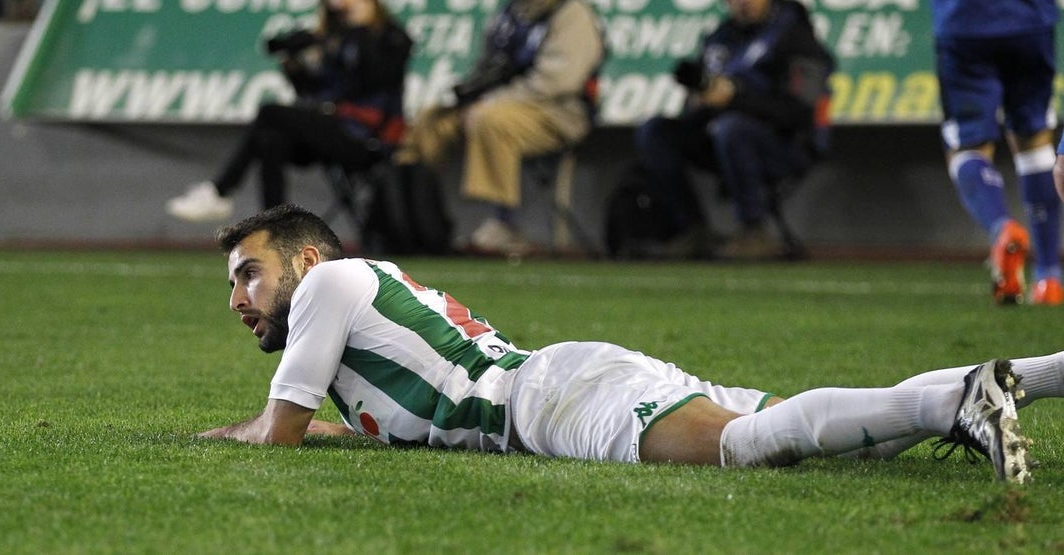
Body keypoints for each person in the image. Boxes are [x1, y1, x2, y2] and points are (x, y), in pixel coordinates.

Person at [198, 202, 1056, 485]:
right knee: (794, 427)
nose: (239, 296)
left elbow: (278, 431)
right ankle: (1028, 376)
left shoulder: (328, 285)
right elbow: (336, 424)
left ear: (306, 259)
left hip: (548, 399)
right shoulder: (351, 310)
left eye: (249, 273)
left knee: (742, 447)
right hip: (561, 381)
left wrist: (212, 436)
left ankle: (960, 400)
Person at [893, 0, 1064, 305]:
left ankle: (1001, 226)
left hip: (962, 19)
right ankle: (1050, 276)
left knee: (968, 143)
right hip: (1028, 14)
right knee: (1034, 137)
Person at [394, 0, 605, 255]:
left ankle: (502, 224)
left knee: (490, 118)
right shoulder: (510, 10)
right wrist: (469, 93)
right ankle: (418, 223)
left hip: (559, 112)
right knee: (429, 121)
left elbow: (558, 81)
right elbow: (488, 65)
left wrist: (493, 99)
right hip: (502, 103)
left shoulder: (572, 10)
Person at [167, 0, 413, 222]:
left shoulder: (389, 35)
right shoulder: (331, 37)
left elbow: (375, 79)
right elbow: (318, 91)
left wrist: (361, 30)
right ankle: (278, 225)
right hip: (332, 128)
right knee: (270, 137)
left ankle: (220, 191)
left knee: (271, 112)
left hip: (366, 135)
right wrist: (296, 70)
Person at [635, 0, 833, 261]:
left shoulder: (795, 34)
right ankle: (692, 230)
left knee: (733, 129)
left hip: (786, 144)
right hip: (723, 137)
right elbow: (695, 104)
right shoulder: (720, 40)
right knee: (655, 131)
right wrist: (700, 101)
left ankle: (755, 231)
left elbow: (798, 111)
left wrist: (735, 98)